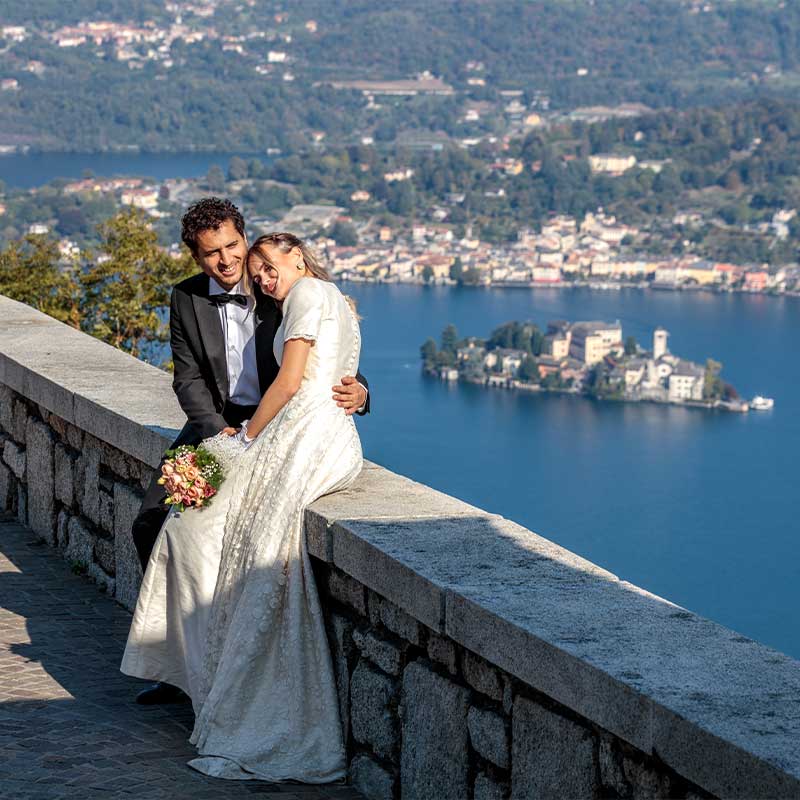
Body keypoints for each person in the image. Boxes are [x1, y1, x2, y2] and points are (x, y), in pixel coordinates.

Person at [121, 232, 363, 782]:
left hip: (283, 427)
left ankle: (219, 674)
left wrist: (359, 394)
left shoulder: (297, 296)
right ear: (198, 257)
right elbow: (187, 381)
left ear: (293, 256)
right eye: (217, 254)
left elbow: (317, 372)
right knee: (158, 523)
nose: (239, 267)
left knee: (219, 533)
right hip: (224, 427)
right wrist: (223, 435)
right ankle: (181, 667)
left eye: (242, 253)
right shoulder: (188, 298)